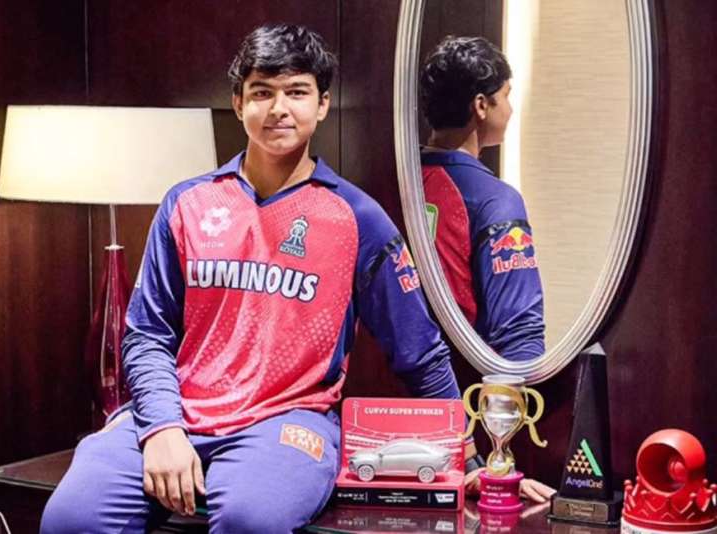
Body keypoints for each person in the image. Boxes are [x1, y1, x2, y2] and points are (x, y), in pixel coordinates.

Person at [40, 24, 463, 534]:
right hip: (181, 411)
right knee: (70, 517)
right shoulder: (187, 203)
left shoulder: (358, 218)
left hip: (287, 422)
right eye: (262, 92)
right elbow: (147, 335)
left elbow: (420, 352)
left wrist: (471, 460)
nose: (278, 108)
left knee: (250, 520)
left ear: (323, 105)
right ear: (238, 103)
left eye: (297, 92)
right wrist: (162, 428)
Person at [420, 35, 545, 362]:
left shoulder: (391, 182)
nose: (510, 109)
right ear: (481, 105)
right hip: (464, 383)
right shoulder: (496, 201)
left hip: (387, 385)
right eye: (506, 96)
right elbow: (520, 333)